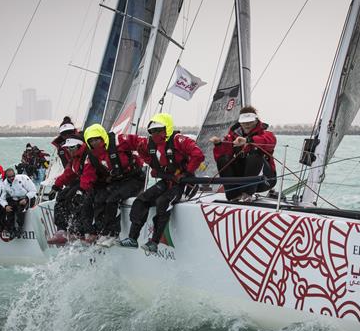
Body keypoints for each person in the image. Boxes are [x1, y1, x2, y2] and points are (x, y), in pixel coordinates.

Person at [119, 113, 204, 253]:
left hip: (184, 184)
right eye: (152, 131)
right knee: (141, 199)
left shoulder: (178, 140)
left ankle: (154, 242)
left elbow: (198, 155)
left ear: (167, 129)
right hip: (166, 180)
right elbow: (141, 151)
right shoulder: (148, 143)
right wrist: (154, 167)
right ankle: (133, 238)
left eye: (159, 130)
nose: (155, 134)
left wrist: (186, 173)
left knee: (162, 201)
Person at [79, 124, 145, 246]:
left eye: (97, 139)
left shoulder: (119, 141)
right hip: (117, 181)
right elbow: (87, 174)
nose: (94, 143)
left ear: (103, 137)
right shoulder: (92, 155)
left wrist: (148, 149)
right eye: (91, 141)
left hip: (135, 179)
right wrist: (83, 189)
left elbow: (138, 142)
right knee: (99, 199)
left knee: (112, 199)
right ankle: (102, 232)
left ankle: (113, 233)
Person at [209, 106, 277, 201]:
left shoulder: (266, 133)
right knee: (223, 159)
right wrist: (218, 144)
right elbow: (223, 156)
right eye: (244, 123)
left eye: (250, 122)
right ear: (240, 122)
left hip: (265, 180)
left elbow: (270, 141)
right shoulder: (232, 135)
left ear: (256, 121)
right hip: (241, 179)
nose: (247, 125)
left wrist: (248, 140)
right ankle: (233, 196)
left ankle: (247, 195)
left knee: (254, 156)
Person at [47, 136, 87, 245]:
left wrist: (81, 189)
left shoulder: (87, 155)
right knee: (62, 196)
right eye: (68, 148)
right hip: (81, 181)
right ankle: (61, 230)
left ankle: (78, 231)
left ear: (79, 146)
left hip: (90, 182)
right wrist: (56, 187)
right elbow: (68, 173)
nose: (69, 150)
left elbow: (90, 175)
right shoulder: (74, 158)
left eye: (72, 147)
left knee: (76, 198)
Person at [0, 168, 37, 240]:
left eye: (13, 176)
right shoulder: (4, 184)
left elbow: (33, 190)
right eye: (9, 177)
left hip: (28, 197)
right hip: (15, 199)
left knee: (20, 210)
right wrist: (5, 206)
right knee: (9, 210)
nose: (12, 178)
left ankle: (20, 228)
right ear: (6, 177)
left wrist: (26, 198)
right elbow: (0, 198)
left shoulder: (23, 178)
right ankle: (12, 230)